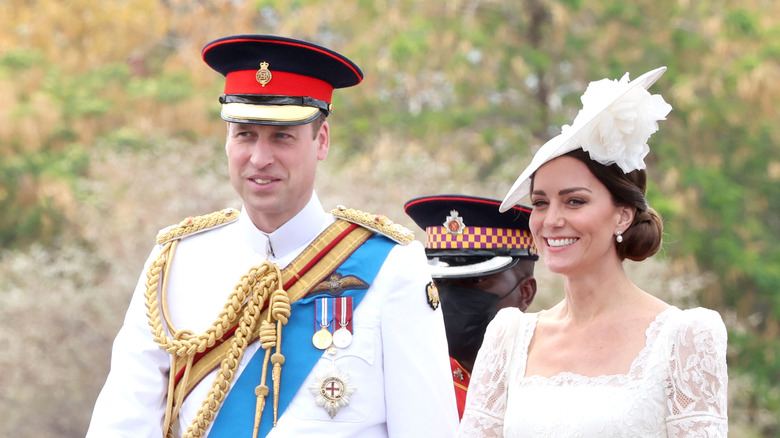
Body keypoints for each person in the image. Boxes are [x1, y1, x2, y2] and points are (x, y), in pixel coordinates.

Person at [86, 34, 458, 438]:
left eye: (282, 136)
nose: (260, 158)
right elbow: (123, 423)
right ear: (227, 141)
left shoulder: (391, 266)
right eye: (245, 134)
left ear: (321, 141)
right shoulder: (174, 262)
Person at [458, 67, 728, 437]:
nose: (551, 220)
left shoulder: (684, 337)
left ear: (623, 215)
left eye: (574, 201)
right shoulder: (508, 337)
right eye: (540, 203)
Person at [404, 194, 538, 419]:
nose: (451, 298)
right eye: (440, 282)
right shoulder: (411, 380)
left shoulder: (552, 378)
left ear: (525, 293)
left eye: (474, 281)